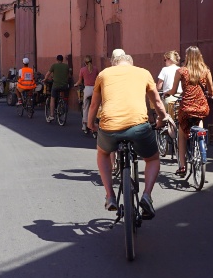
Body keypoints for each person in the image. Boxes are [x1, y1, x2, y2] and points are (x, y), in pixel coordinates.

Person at [88, 48, 168, 218]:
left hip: (110, 127)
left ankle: (110, 196)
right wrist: (162, 119)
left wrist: (90, 124)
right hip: (138, 126)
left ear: (114, 63)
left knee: (103, 153)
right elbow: (157, 102)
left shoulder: (103, 74)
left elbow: (94, 105)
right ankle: (146, 195)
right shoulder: (143, 73)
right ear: (131, 64)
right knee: (152, 159)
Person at [164, 46, 213, 178]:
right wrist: (210, 94)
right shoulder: (205, 70)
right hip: (201, 106)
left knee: (181, 132)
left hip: (186, 107)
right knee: (200, 119)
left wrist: (167, 93)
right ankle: (200, 140)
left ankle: (182, 166)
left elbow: (173, 90)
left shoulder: (181, 71)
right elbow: (211, 90)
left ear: (187, 57)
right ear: (200, 56)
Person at [75, 55, 100, 134]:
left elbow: (80, 81)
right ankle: (95, 121)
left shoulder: (82, 70)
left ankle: (84, 124)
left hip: (87, 89)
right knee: (96, 106)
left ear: (85, 62)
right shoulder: (95, 69)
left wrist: (76, 84)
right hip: (95, 89)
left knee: (85, 107)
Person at [157, 50, 182, 121]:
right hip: (180, 98)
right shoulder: (181, 69)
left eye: (165, 60)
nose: (164, 62)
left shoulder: (165, 69)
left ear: (169, 59)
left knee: (161, 116)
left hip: (169, 97)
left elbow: (159, 87)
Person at [46, 54, 71, 123]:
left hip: (56, 86)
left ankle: (51, 115)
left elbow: (48, 74)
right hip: (65, 86)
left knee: (52, 98)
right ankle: (62, 105)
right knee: (62, 94)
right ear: (62, 60)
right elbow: (69, 76)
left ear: (57, 60)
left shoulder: (54, 65)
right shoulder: (66, 66)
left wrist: (45, 79)